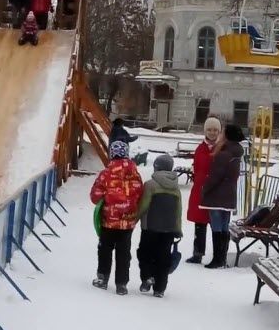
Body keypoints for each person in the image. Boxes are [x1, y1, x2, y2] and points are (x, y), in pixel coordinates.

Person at [91, 141, 144, 295]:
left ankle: (102, 278)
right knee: (124, 252)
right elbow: (140, 194)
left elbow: (95, 196)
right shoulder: (135, 174)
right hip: (127, 222)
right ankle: (122, 284)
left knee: (105, 249)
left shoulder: (106, 174)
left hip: (109, 220)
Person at [200, 124, 246, 269]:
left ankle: (217, 259)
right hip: (229, 194)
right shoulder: (236, 152)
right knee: (224, 226)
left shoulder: (224, 154)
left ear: (227, 136)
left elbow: (215, 176)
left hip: (217, 195)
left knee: (216, 226)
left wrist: (205, 189)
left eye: (223, 133)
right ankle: (222, 258)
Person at [136, 154, 182, 298]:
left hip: (150, 227)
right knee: (163, 257)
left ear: (156, 167)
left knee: (144, 253)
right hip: (169, 229)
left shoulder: (150, 185)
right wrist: (178, 228)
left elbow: (144, 205)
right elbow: (178, 210)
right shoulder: (176, 188)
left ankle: (147, 277)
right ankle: (160, 288)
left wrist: (134, 218)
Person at [185, 117, 221, 264]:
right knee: (200, 223)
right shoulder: (200, 149)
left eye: (215, 130)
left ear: (219, 132)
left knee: (216, 225)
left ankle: (218, 256)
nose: (212, 132)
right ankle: (197, 253)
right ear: (205, 131)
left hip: (216, 191)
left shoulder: (221, 148)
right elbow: (197, 168)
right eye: (209, 130)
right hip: (200, 190)